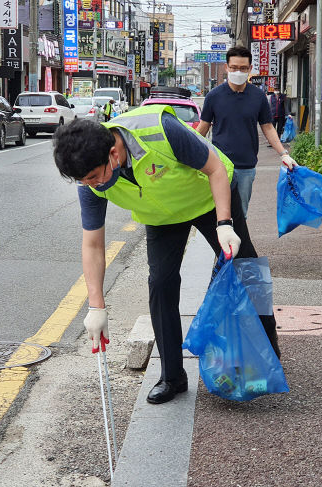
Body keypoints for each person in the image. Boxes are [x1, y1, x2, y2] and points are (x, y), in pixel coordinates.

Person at [52, 105, 282, 405]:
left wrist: (224, 224)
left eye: (93, 177)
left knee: (245, 267)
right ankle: (172, 376)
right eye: (82, 181)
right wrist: (96, 306)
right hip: (162, 217)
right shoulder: (90, 181)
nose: (90, 185)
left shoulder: (161, 131)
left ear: (113, 152)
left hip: (209, 197)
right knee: (160, 283)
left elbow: (214, 169)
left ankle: (268, 352)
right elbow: (93, 244)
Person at [197, 46, 297, 219]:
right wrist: (190, 153)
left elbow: (268, 127)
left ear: (250, 69)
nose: (238, 71)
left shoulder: (258, 96)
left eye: (243, 68)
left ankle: (237, 246)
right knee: (218, 214)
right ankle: (221, 246)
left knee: (240, 215)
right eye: (234, 67)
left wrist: (283, 154)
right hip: (219, 166)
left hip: (246, 167)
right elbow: (203, 128)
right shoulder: (214, 96)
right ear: (226, 67)